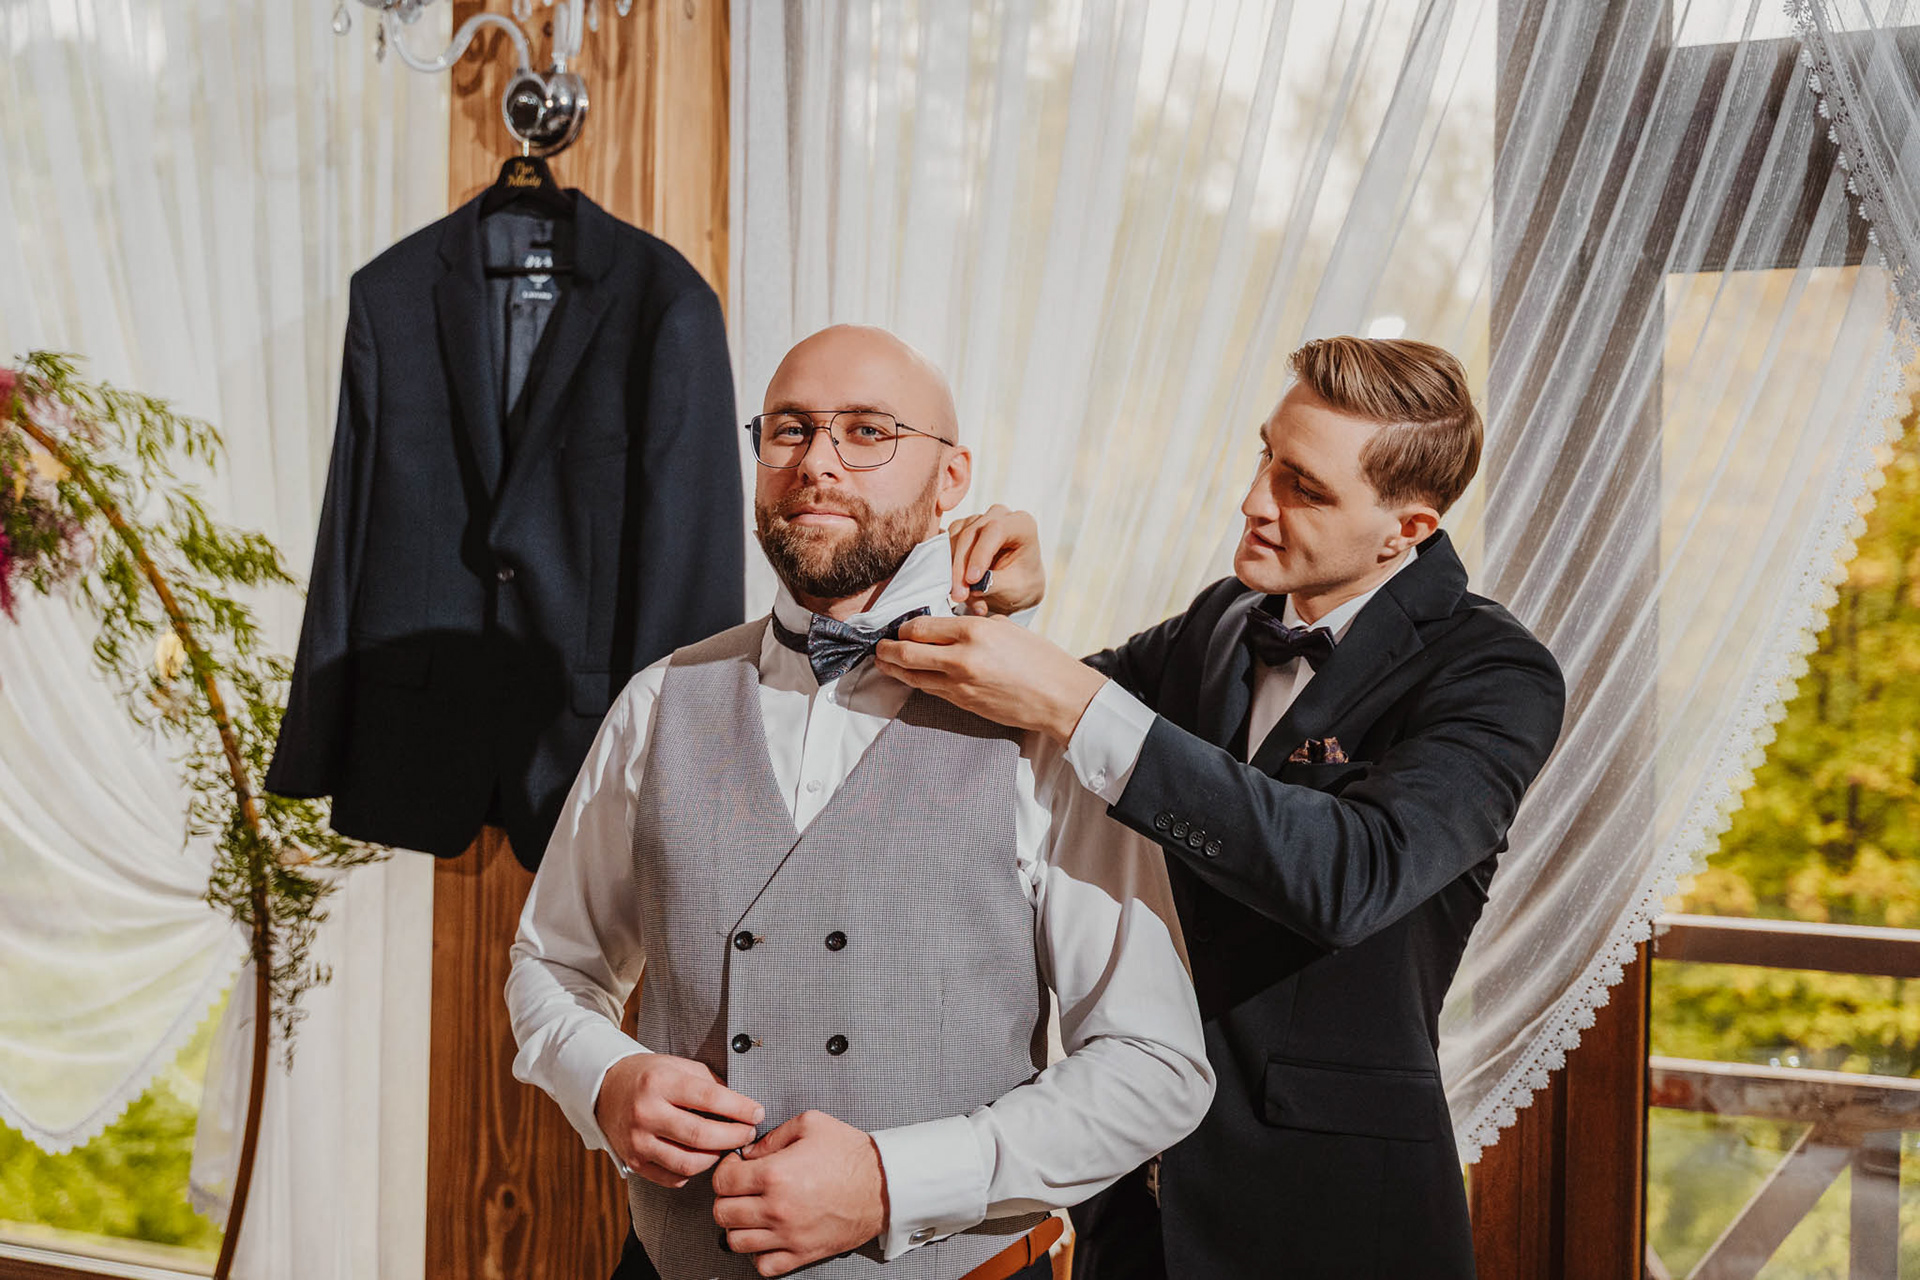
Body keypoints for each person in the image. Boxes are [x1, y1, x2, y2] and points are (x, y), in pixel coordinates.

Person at [506, 324, 1213, 1280]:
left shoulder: (1043, 722)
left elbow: (1153, 1066)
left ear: (952, 478)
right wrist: (602, 1076)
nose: (818, 462)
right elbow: (554, 962)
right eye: (790, 429)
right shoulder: (658, 702)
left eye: (869, 431)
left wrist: (891, 1181)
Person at [876, 336, 1567, 1278]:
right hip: (1129, 1205)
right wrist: (1001, 608)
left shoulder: (1496, 673)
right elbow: (1042, 734)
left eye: (1303, 487)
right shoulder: (1225, 617)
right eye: (1265, 458)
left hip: (1332, 1223)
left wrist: (1074, 699)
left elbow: (1351, 879)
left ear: (1406, 529)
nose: (1253, 501)